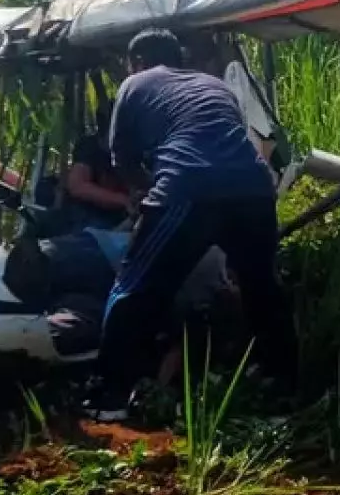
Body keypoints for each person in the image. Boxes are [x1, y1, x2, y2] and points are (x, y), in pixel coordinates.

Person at [81, 27, 297, 421]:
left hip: (189, 188)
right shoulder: (212, 85)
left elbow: (122, 160)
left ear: (136, 62)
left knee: (134, 287)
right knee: (262, 288)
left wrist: (142, 193)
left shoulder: (135, 83)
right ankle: (281, 388)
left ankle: (106, 397)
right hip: (254, 188)